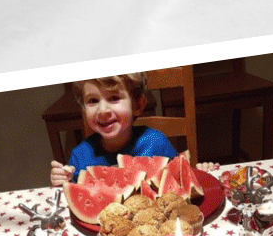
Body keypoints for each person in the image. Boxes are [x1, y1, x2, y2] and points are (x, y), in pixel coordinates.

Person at [49, 74, 217, 186]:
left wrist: (201, 172)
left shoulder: (156, 142)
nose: (102, 110)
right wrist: (62, 180)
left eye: (114, 98)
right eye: (92, 101)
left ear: (137, 105)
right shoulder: (80, 155)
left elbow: (179, 176)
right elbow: (74, 193)